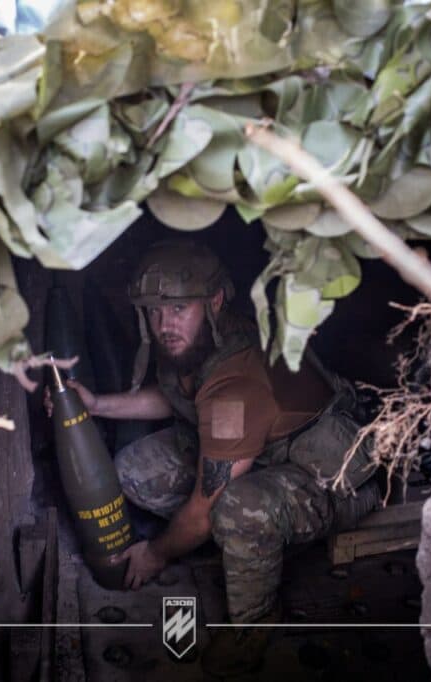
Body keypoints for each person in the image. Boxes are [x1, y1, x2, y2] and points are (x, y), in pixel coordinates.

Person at [51, 240, 379, 675]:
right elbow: (172, 398)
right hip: (260, 454)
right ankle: (245, 545)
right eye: (154, 311)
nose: (164, 324)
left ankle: (254, 623)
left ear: (214, 301)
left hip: (330, 479)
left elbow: (205, 510)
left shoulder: (235, 381)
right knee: (136, 470)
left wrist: (158, 554)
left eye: (178, 310)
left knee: (235, 509)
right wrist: (96, 404)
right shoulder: (199, 343)